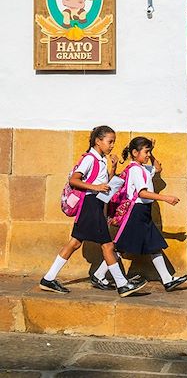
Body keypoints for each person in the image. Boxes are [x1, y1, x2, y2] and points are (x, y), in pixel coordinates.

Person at [39, 126, 148, 297]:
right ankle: (122, 284)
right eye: (109, 141)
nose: (112, 145)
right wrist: (95, 187)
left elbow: (106, 184)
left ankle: (48, 278)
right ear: (98, 141)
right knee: (108, 245)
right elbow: (74, 180)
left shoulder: (101, 160)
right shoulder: (90, 159)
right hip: (90, 204)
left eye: (114, 142)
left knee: (75, 242)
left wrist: (112, 168)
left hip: (94, 204)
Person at [114, 137, 187, 292]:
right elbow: (142, 193)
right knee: (121, 247)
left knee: (153, 244)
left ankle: (168, 280)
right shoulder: (135, 169)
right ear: (135, 153)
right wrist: (166, 198)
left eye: (149, 151)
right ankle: (99, 274)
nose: (148, 155)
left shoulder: (143, 168)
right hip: (136, 212)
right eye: (146, 151)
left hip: (143, 213)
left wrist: (152, 152)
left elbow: (158, 168)